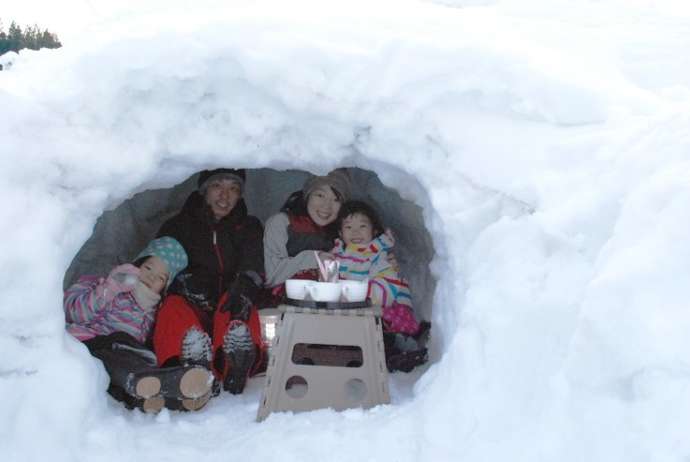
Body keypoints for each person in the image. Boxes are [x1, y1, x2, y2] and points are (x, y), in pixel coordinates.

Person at [64, 237, 213, 413]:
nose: (151, 277)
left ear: (164, 286)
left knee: (134, 364)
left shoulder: (155, 312)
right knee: (120, 358)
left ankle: (167, 397)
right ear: (137, 264)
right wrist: (110, 288)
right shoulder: (102, 283)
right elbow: (72, 312)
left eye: (160, 277)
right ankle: (159, 382)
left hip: (129, 357)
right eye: (148, 268)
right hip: (92, 345)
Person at [153, 168, 265, 396]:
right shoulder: (177, 226)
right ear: (204, 191)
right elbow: (156, 267)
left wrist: (246, 284)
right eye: (218, 187)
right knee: (173, 307)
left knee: (240, 307)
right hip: (194, 308)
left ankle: (234, 365)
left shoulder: (249, 226)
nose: (225, 196)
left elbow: (254, 263)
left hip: (227, 305)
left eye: (233, 189)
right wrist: (182, 283)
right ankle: (185, 369)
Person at [331, 200, 429, 372]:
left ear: (374, 230)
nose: (355, 232)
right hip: (350, 317)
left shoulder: (380, 257)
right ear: (340, 232)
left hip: (381, 312)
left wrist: (354, 292)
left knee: (381, 330)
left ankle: (398, 351)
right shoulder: (336, 258)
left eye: (362, 226)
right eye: (348, 227)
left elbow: (385, 292)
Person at [263, 169, 351, 289]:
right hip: (283, 302)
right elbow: (272, 276)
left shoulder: (343, 231)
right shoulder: (281, 222)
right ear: (308, 195)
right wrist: (314, 258)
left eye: (336, 200)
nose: (326, 206)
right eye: (320, 195)